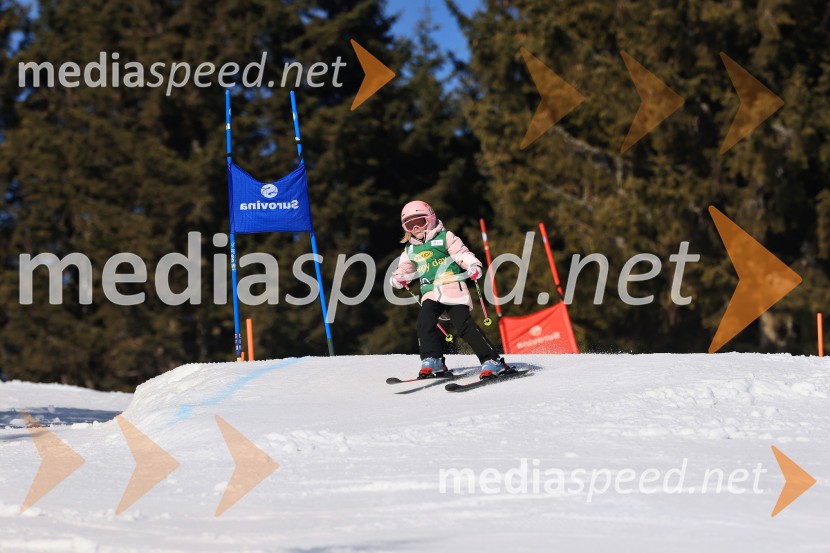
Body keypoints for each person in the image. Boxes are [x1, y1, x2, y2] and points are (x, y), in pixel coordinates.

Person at [389, 200, 509, 380]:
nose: (415, 228)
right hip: (430, 292)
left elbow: (461, 253)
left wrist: (473, 265)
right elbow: (405, 267)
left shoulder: (445, 237)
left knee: (464, 326)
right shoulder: (410, 249)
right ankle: (433, 359)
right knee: (424, 321)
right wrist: (398, 278)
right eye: (409, 225)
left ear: (430, 219)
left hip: (453, 289)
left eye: (419, 222)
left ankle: (492, 360)